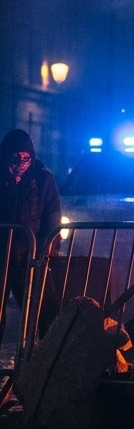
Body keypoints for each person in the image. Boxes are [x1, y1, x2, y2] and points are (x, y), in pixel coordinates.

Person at [0, 129, 62, 346]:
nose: (21, 162)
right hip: (0, 253)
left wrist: (47, 250)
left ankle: (51, 362)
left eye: (26, 158)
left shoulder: (43, 178)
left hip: (30, 254)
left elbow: (52, 218)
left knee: (46, 312)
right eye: (15, 157)